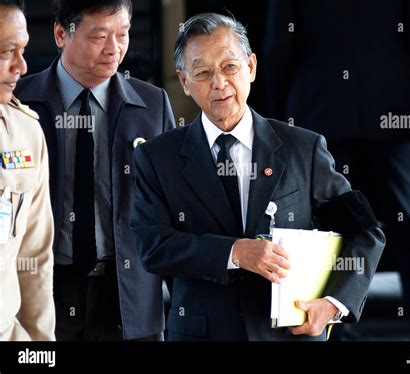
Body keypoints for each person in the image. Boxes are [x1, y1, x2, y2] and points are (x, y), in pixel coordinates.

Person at [131, 13, 385, 341]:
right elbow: (153, 246)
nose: (218, 83)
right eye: (203, 72)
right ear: (184, 82)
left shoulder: (303, 148)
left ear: (250, 67)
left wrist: (333, 303)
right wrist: (235, 252)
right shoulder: (156, 157)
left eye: (229, 67)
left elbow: (365, 232)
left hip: (289, 333)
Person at [263, 0, 410, 341]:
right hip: (391, 107)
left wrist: (278, 116)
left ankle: (334, 329)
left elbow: (278, 46)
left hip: (320, 109)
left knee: (331, 228)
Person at [15, 0, 175, 341]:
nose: (114, 49)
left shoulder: (153, 105)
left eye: (123, 34)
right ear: (61, 33)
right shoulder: (20, 103)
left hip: (129, 295)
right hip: (45, 290)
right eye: (100, 36)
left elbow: (174, 209)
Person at [0, 0, 55, 341]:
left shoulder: (26, 134)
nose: (21, 66)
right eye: (7, 51)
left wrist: (40, 348)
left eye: (23, 51)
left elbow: (34, 261)